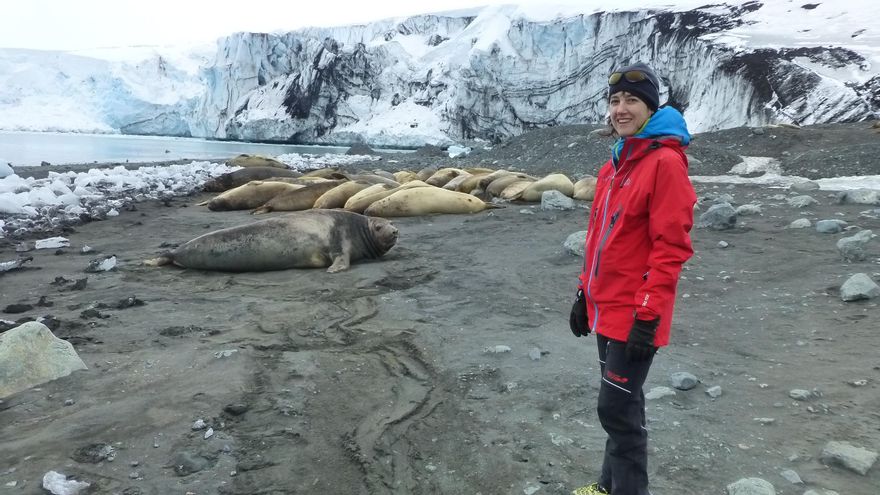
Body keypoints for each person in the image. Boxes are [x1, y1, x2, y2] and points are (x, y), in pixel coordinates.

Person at [569, 62, 697, 495]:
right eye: (615, 100)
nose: (621, 108)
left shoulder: (664, 163)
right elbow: (599, 239)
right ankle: (608, 486)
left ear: (650, 108)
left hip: (635, 312)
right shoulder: (615, 166)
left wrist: (649, 313)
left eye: (632, 101)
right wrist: (584, 293)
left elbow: (671, 247)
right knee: (623, 405)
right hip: (607, 307)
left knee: (616, 412)